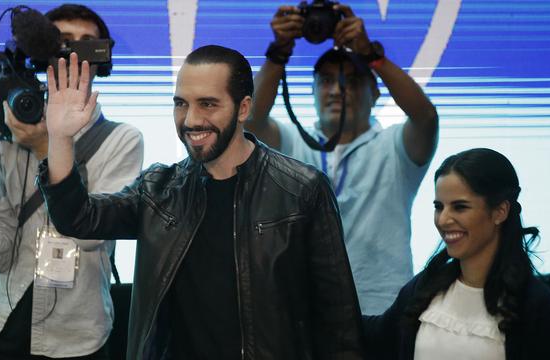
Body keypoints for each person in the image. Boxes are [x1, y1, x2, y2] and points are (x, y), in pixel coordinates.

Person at [38, 44, 364, 359]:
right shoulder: (158, 190)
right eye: (181, 104)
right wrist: (61, 137)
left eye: (208, 104)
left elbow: (339, 322)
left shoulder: (301, 189)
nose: (191, 119)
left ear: (244, 108)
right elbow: (78, 219)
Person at [0, 4, 144, 359]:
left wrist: (45, 145)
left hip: (77, 336)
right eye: (62, 43)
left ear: (101, 60)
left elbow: (93, 233)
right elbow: (0, 252)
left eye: (86, 44)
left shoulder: (122, 139)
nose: (73, 54)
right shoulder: (10, 131)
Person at [246, 3, 439, 315]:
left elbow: (426, 117)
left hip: (381, 308)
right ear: (311, 91)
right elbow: (250, 121)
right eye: (325, 80)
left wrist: (371, 55)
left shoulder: (394, 146)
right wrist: (279, 52)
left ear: (376, 94)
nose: (336, 90)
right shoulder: (293, 143)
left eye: (351, 80)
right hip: (303, 309)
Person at [362, 148, 550, 359]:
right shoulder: (425, 286)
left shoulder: (538, 306)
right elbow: (376, 336)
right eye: (439, 207)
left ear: (500, 212)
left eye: (460, 207)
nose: (443, 220)